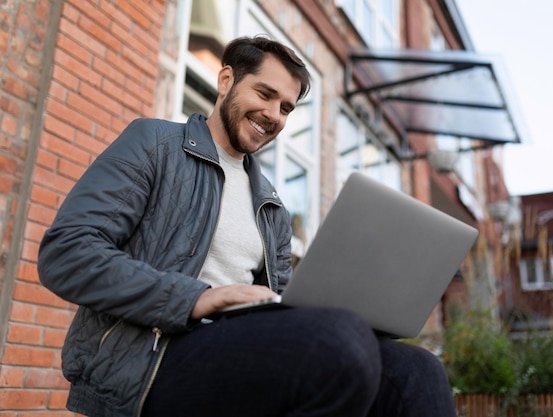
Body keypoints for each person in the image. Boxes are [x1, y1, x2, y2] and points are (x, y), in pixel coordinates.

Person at [38, 36, 456, 417]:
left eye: (286, 108)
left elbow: (283, 305)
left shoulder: (271, 206)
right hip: (147, 356)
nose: (273, 115)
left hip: (236, 347)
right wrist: (197, 299)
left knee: (416, 370)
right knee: (339, 341)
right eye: (265, 93)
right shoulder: (154, 144)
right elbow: (67, 253)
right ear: (225, 81)